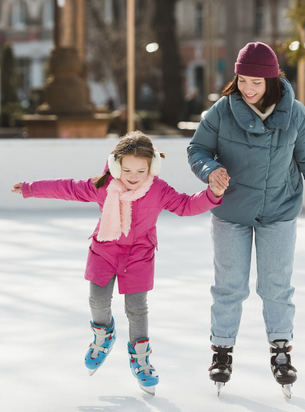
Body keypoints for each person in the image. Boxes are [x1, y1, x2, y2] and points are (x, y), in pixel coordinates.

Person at [12, 131, 224, 395]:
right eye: (126, 170)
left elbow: (185, 205)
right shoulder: (103, 186)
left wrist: (212, 194)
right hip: (105, 250)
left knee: (137, 308)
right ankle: (103, 335)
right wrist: (31, 189)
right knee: (98, 300)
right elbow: (68, 188)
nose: (133, 177)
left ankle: (141, 358)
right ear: (115, 166)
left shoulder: (158, 189)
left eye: (140, 170)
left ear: (152, 167)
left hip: (139, 255)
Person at [187, 42, 305, 396]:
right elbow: (197, 149)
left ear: (272, 80)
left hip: (279, 210)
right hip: (231, 212)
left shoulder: (296, 113)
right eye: (242, 80)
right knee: (229, 286)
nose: (248, 88)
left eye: (256, 82)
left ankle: (281, 350)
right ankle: (222, 351)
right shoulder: (222, 111)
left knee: (276, 286)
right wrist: (210, 170)